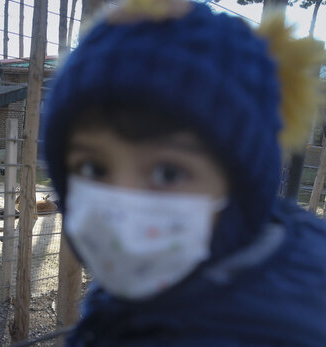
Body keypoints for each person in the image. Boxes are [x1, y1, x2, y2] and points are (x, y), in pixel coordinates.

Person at [41, 0, 326, 345]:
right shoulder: (170, 288)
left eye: (168, 173)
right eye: (93, 167)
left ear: (240, 189)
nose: (122, 201)